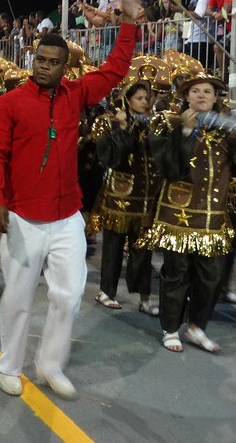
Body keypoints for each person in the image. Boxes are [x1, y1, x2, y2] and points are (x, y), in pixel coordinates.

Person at [0, 0, 143, 400]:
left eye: (53, 63)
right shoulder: (9, 103)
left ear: (65, 68)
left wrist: (128, 25)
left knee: (69, 295)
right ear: (32, 59)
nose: (44, 67)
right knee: (18, 298)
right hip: (21, 217)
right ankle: (10, 366)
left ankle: (50, 363)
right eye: (40, 60)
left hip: (67, 217)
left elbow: (115, 71)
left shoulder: (77, 95)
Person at [138, 74, 236, 353]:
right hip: (178, 217)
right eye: (196, 91)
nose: (202, 96)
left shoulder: (228, 131)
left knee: (211, 276)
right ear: (186, 97)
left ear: (216, 98)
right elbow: (170, 169)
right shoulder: (168, 125)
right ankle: (170, 328)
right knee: (176, 273)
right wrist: (187, 134)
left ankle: (196, 327)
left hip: (213, 218)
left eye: (208, 92)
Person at [92, 75, 160, 315]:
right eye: (139, 98)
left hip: (147, 199)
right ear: (128, 100)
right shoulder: (109, 122)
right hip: (120, 197)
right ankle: (106, 292)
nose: (144, 102)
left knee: (143, 250)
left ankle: (144, 298)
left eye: (147, 98)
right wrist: (124, 129)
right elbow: (114, 158)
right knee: (113, 247)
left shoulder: (153, 123)